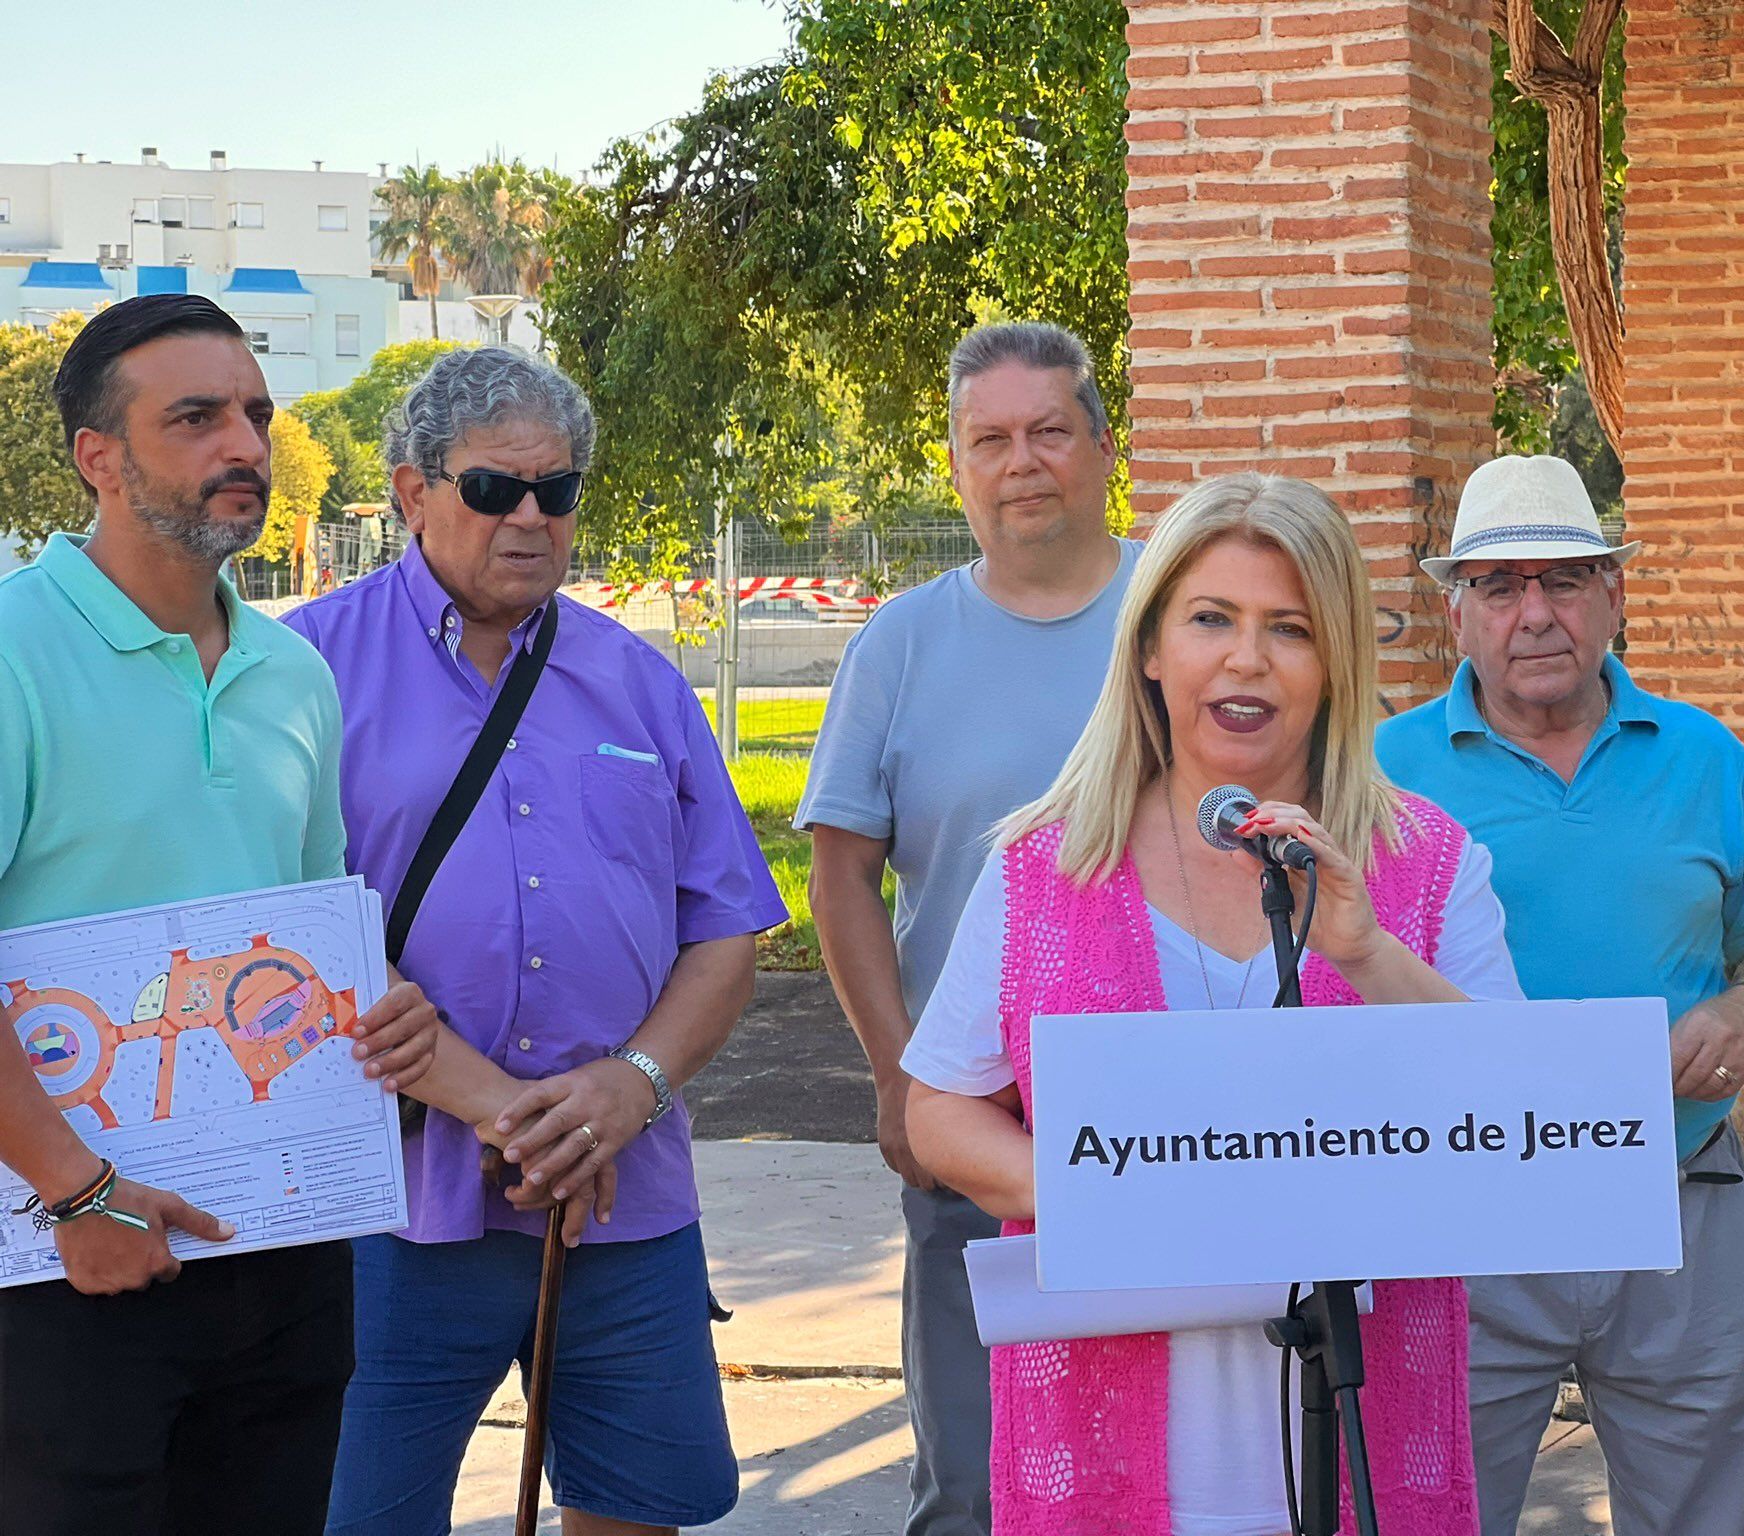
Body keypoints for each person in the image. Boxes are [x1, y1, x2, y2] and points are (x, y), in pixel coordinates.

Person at [902, 472, 1519, 1535]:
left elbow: (1510, 1110)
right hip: (1109, 1428)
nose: (1245, 658)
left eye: (1289, 628)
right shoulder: (1042, 869)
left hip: (1358, 1424)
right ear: (1149, 650)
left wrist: (1364, 953)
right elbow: (939, 1114)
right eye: (1209, 620)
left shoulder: (1425, 865)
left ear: (1332, 666)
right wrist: (1130, 1201)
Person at [283, 347, 788, 1536]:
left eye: (555, 492)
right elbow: (285, 926)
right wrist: (507, 1112)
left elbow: (722, 931)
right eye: (492, 489)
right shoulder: (300, 671)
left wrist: (631, 1087)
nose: (529, 518)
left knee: (635, 1508)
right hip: (391, 1207)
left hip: (623, 1197)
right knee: (354, 1515)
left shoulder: (641, 685)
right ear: (410, 492)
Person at [0, 295, 441, 1536]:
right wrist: (75, 1195)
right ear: (101, 457)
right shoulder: (13, 653)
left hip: (285, 1247)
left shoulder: (292, 673)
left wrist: (378, 1002)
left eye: (254, 412)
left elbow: (300, 930)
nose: (241, 443)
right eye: (194, 417)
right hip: (63, 1256)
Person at [1375, 454, 1744, 1536]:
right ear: (1455, 615)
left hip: (1678, 1203)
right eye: (1498, 586)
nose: (1534, 613)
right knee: (1431, 1516)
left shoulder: (1701, 757)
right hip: (1458, 1223)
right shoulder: (1376, 770)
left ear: (1612, 596)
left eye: (1563, 580)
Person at [797, 321, 1140, 1536]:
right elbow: (840, 876)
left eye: (1049, 431)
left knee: (1173, 1471)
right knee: (978, 1484)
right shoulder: (900, 643)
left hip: (1175, 1119)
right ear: (954, 466)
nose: (1022, 462)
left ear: (1103, 447)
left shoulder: (1182, 614)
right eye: (989, 439)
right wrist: (898, 1076)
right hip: (978, 1120)